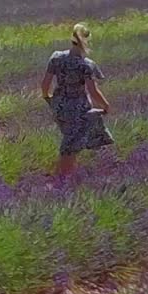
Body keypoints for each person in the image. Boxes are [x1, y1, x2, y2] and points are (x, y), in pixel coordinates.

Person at [41, 23, 113, 178]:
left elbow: (45, 83)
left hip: (59, 105)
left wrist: (48, 98)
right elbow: (93, 91)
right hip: (78, 107)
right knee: (72, 143)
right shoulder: (86, 65)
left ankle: (63, 176)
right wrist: (106, 106)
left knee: (70, 139)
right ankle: (62, 177)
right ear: (87, 41)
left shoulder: (56, 57)